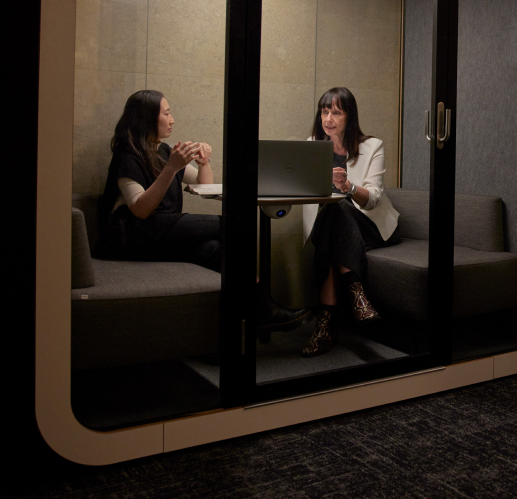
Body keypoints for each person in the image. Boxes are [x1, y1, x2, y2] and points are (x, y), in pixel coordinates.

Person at [97, 89, 307, 334]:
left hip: (161, 232)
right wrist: (171, 168)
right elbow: (140, 209)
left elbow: (204, 186)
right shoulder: (128, 155)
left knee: (216, 250)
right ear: (146, 119)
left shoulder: (163, 151)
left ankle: (247, 320)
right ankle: (264, 310)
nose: (172, 119)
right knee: (231, 224)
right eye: (166, 113)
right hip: (131, 236)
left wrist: (203, 162)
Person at [301, 87, 401, 357]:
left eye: (336, 112)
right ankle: (356, 294)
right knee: (333, 213)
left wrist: (347, 185)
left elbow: (373, 200)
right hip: (333, 227)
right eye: (324, 111)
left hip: (370, 225)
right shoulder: (311, 145)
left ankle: (325, 324)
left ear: (350, 116)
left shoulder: (372, 146)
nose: (328, 119)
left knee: (338, 204)